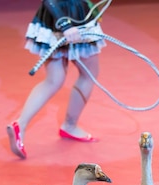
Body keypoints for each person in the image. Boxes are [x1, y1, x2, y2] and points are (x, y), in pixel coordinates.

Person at [7, 0, 106, 159]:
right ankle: (69, 125)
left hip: (62, 16)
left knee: (54, 80)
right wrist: (65, 24)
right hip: (65, 17)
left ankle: (21, 124)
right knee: (88, 74)